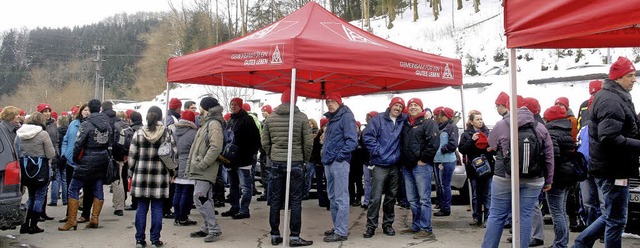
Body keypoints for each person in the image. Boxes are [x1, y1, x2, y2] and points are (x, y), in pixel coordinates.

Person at [574, 57, 640, 248]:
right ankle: (581, 243)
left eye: (634, 75)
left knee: (613, 216)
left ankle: (581, 243)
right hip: (614, 169)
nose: (634, 79)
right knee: (616, 220)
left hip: (614, 167)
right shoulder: (611, 100)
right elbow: (609, 136)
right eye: (630, 75)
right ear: (618, 78)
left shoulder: (616, 97)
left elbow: (626, 128)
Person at [482, 95, 554, 248]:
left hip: (504, 176)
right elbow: (549, 156)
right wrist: (548, 180)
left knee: (496, 216)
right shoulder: (540, 127)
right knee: (525, 215)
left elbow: (492, 143)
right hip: (534, 179)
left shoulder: (501, 125)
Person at [262, 89, 314, 246]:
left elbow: (265, 142)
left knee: (276, 199)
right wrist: (304, 159)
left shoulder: (271, 118)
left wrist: (273, 155)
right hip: (296, 162)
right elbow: (308, 143)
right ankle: (294, 237)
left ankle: (275, 234)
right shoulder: (302, 118)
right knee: (296, 200)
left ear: (281, 100)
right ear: (296, 101)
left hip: (277, 162)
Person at [59, 99, 112, 231]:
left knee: (74, 188)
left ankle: (71, 220)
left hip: (87, 158)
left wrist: (76, 158)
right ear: (99, 108)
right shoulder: (107, 124)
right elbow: (111, 142)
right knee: (98, 187)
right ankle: (95, 218)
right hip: (102, 159)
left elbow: (78, 143)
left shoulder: (86, 124)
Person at [129, 106, 175, 248]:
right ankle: (155, 239)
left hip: (141, 175)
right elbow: (173, 155)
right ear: (160, 117)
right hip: (160, 176)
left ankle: (139, 239)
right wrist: (173, 172)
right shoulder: (167, 134)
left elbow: (132, 157)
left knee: (141, 207)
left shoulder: (139, 133)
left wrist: (131, 172)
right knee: (157, 208)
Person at [362, 97, 406, 238]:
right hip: (380, 164)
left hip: (395, 165)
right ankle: (371, 226)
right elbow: (367, 137)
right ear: (391, 105)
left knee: (391, 197)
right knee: (375, 197)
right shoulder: (378, 119)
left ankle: (388, 224)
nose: (398, 108)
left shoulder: (403, 121)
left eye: (400, 106)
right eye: (396, 105)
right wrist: (378, 151)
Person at [186, 97, 225, 243]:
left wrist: (202, 164)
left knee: (200, 197)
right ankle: (208, 227)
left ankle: (214, 228)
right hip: (201, 168)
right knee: (205, 198)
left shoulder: (213, 124)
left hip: (205, 169)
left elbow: (216, 147)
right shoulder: (207, 123)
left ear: (206, 108)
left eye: (200, 107)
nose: (198, 110)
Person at [399, 98, 439, 239]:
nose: (413, 107)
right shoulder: (405, 124)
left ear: (421, 108)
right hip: (407, 166)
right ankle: (416, 225)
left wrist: (424, 160)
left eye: (416, 105)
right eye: (411, 105)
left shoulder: (428, 123)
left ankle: (426, 228)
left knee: (424, 199)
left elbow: (433, 143)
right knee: (412, 199)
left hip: (421, 166)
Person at [322, 92, 358, 242]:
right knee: (332, 196)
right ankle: (338, 226)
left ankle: (341, 230)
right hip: (329, 161)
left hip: (338, 162)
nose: (330, 104)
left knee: (341, 197)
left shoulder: (346, 116)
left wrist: (339, 156)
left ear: (339, 102)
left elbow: (352, 141)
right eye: (328, 102)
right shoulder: (332, 119)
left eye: (332, 101)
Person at [220, 98, 261, 219]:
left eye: (235, 105)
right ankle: (234, 207)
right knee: (233, 185)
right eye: (231, 104)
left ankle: (244, 210)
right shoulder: (231, 119)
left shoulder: (247, 120)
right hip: (231, 160)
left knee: (245, 186)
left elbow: (256, 139)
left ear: (240, 106)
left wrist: (250, 153)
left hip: (244, 159)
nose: (233, 106)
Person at [15, 112, 56, 234]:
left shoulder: (19, 134)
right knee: (39, 196)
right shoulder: (43, 134)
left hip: (25, 168)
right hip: (40, 168)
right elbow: (51, 154)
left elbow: (16, 151)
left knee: (31, 196)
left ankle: (24, 224)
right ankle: (33, 225)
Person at [543, 105, 577, 248]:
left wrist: (548, 177)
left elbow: (553, 158)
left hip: (557, 177)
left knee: (557, 211)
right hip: (568, 174)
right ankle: (563, 241)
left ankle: (560, 243)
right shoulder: (567, 130)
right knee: (562, 211)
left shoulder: (551, 133)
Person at [458, 110, 494, 227]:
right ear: (472, 121)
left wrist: (490, 148)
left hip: (487, 168)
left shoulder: (487, 133)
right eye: (477, 119)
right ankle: (476, 217)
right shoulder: (466, 134)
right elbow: (462, 149)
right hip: (474, 169)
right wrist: (472, 140)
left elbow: (493, 147)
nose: (480, 121)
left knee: (488, 194)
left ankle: (488, 218)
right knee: (475, 194)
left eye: (481, 119)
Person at [59, 104, 89, 224]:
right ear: (81, 111)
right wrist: (64, 154)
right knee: (70, 188)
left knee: (87, 189)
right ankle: (69, 214)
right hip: (70, 161)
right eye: (85, 110)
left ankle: (85, 214)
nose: (86, 112)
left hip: (85, 162)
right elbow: (66, 140)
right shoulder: (73, 124)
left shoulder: (90, 125)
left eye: (89, 110)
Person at [172, 110, 198, 226]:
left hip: (176, 164)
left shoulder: (174, 130)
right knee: (186, 192)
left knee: (178, 191)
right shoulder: (193, 133)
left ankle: (177, 215)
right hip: (189, 164)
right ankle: (183, 216)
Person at [432, 106, 459, 217]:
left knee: (445, 185)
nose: (440, 117)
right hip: (437, 160)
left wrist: (442, 149)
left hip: (447, 160)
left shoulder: (452, 127)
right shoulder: (439, 127)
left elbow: (453, 144)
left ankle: (446, 208)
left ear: (447, 116)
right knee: (440, 185)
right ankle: (442, 205)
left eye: (442, 115)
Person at [38, 103, 58, 221]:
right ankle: (37, 211)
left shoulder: (53, 125)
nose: (47, 113)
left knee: (46, 186)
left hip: (52, 156)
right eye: (44, 111)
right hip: (41, 158)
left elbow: (56, 140)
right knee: (40, 187)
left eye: (48, 111)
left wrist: (57, 153)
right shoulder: (37, 126)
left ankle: (43, 211)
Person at [312, 118, 329, 209]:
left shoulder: (330, 136)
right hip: (318, 163)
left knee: (327, 182)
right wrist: (317, 160)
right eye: (325, 126)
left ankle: (327, 200)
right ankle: (321, 200)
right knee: (319, 182)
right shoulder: (317, 138)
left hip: (326, 163)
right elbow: (314, 151)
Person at [257, 104, 273, 203]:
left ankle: (268, 194)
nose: (263, 113)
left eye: (265, 111)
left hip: (267, 152)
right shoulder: (263, 122)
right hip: (264, 151)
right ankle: (267, 193)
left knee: (268, 174)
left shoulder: (269, 122)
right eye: (262, 111)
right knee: (265, 175)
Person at [361, 111, 377, 209]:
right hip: (366, 160)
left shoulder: (379, 130)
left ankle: (373, 201)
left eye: (369, 118)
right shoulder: (364, 131)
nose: (367, 120)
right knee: (367, 181)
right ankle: (367, 201)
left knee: (375, 183)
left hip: (376, 160)